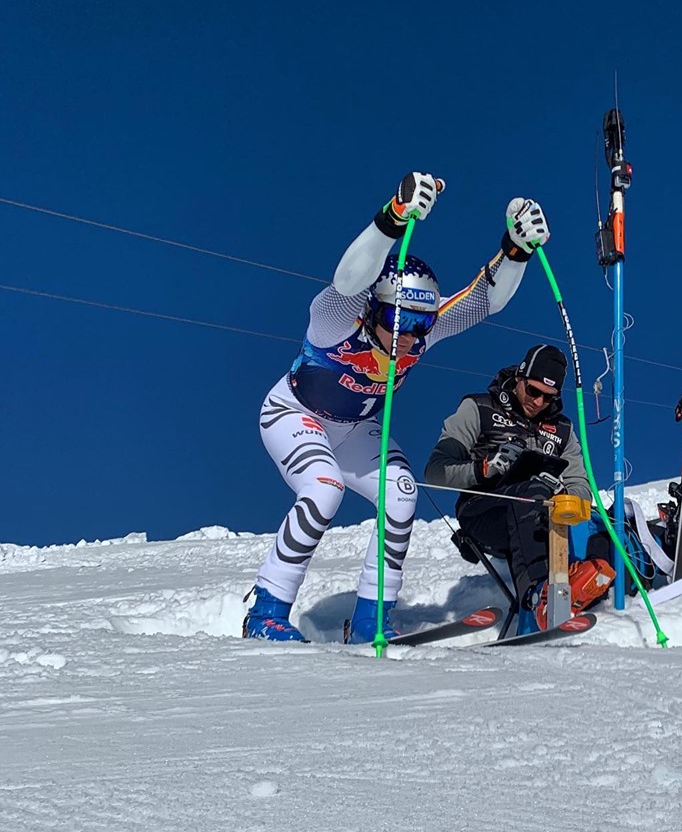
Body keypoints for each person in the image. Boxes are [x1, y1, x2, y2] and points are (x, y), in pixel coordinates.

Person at [243, 172, 551, 643]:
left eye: (422, 324)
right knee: (323, 491)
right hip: (294, 413)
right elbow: (347, 278)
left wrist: (516, 250)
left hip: (355, 428)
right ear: (372, 309)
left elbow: (484, 300)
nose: (409, 335)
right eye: (399, 320)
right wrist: (393, 216)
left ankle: (371, 618)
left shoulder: (417, 339)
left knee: (402, 493)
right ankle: (265, 612)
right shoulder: (335, 321)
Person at [424, 344, 615, 633]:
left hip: (542, 515)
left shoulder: (561, 428)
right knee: (531, 492)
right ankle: (539, 595)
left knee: (610, 520)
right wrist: (485, 468)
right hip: (485, 512)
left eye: (548, 397)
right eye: (533, 391)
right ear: (519, 378)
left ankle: (588, 583)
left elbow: (579, 481)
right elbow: (435, 472)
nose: (538, 402)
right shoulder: (479, 408)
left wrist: (570, 498)